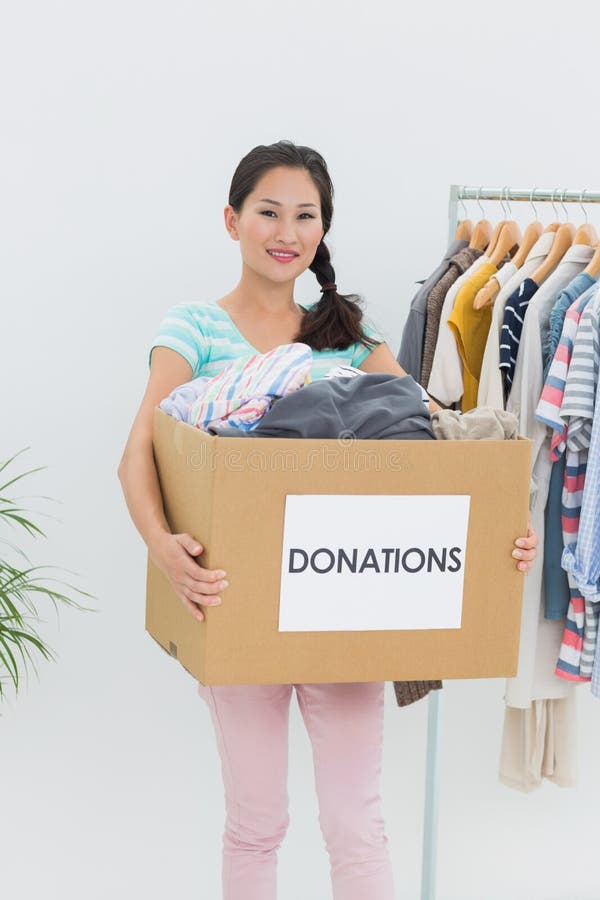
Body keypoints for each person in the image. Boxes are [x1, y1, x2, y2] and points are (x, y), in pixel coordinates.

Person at [117, 140, 539, 900]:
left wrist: (503, 526)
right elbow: (139, 451)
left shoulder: (346, 329)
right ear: (232, 221)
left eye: (305, 215)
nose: (287, 231)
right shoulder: (194, 328)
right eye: (268, 212)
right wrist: (162, 547)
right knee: (257, 822)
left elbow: (442, 444)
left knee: (356, 821)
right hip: (237, 600)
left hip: (342, 600)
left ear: (323, 228)